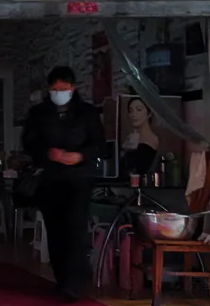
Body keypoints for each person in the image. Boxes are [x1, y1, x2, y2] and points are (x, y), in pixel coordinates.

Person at [22, 66, 105, 302]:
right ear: (49, 89)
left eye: (64, 88)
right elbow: (28, 143)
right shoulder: (39, 113)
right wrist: (48, 153)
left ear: (72, 88)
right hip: (50, 179)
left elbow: (99, 144)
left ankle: (74, 283)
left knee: (75, 229)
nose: (60, 92)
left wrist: (79, 156)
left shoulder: (86, 113)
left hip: (78, 180)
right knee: (56, 231)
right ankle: (62, 280)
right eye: (55, 89)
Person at [121, 97, 159, 175]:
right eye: (130, 111)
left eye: (139, 110)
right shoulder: (131, 138)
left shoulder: (151, 140)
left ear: (149, 113)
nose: (133, 114)